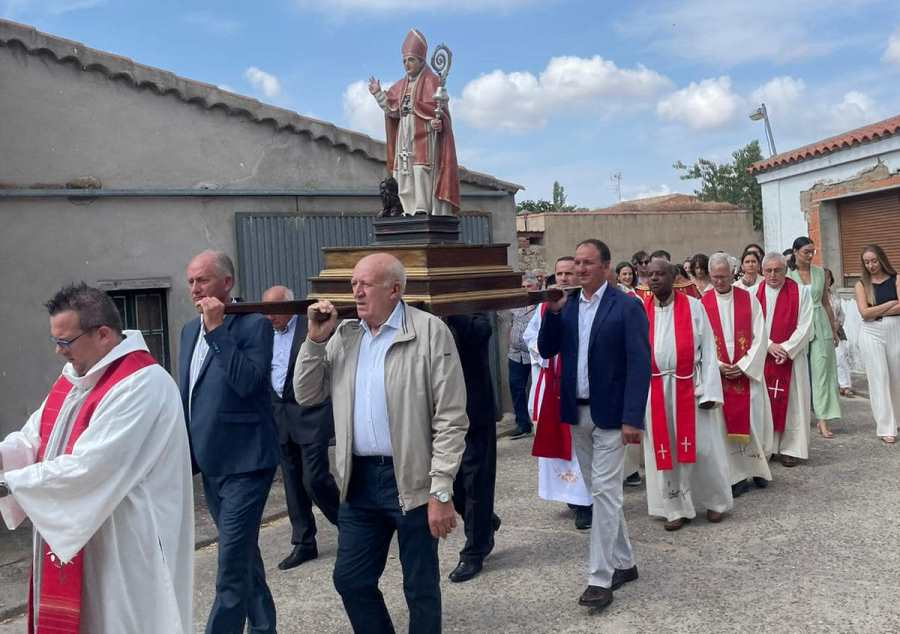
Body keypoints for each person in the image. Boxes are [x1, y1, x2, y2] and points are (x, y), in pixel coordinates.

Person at [0, 283, 193, 633]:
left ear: (103, 334)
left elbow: (91, 468)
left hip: (127, 548)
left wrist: (6, 483)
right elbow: (34, 438)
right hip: (81, 538)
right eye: (56, 341)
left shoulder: (142, 385)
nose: (59, 352)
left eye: (65, 342)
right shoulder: (77, 380)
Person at [295, 252, 468, 634]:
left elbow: (452, 417)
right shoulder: (344, 335)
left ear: (394, 289)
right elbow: (307, 394)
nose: (356, 290)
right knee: (351, 579)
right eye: (353, 283)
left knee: (419, 587)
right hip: (359, 482)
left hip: (412, 479)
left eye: (365, 284)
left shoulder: (428, 331)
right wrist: (313, 342)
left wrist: (441, 490)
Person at [539, 239, 650, 614]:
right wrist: (552, 313)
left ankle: (600, 578)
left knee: (604, 493)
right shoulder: (568, 308)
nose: (581, 269)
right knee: (601, 493)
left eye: (588, 263)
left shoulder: (627, 307)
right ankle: (625, 561)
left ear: (605, 267)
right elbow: (546, 349)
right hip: (577, 414)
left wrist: (633, 418)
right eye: (577, 263)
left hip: (612, 416)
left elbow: (639, 364)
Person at [178, 250, 280, 634]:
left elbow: (248, 383)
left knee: (230, 565)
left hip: (247, 463)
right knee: (244, 557)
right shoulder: (189, 330)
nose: (194, 289)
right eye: (190, 281)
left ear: (226, 283)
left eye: (202, 280)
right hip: (211, 463)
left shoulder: (254, 326)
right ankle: (264, 628)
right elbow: (189, 395)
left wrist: (218, 331)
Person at [641, 260, 733, 531]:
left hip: (690, 388)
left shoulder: (694, 307)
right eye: (650, 275)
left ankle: (715, 502)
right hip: (656, 388)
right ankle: (674, 508)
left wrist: (710, 391)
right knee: (664, 449)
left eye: (660, 274)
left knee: (704, 449)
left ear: (673, 277)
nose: (655, 279)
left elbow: (708, 351)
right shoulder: (641, 310)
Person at [263, 285, 339, 571]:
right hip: (280, 418)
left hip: (311, 417)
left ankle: (348, 523)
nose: (269, 317)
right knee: (293, 484)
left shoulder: (308, 329)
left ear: (289, 307)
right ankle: (304, 542)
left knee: (315, 479)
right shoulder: (264, 334)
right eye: (266, 311)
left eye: (274, 311)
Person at [524, 256, 593, 530]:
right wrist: (543, 354)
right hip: (552, 385)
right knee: (559, 448)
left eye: (568, 273)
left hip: (578, 389)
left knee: (579, 449)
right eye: (559, 273)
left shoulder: (584, 305)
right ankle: (570, 496)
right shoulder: (545, 308)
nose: (563, 278)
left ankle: (585, 503)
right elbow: (531, 338)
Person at [368, 29, 459, 216]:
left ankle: (422, 208)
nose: (407, 65)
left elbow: (441, 113)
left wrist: (439, 123)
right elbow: (392, 109)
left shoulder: (433, 81)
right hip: (404, 132)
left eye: (411, 60)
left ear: (421, 60)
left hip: (424, 134)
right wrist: (378, 93)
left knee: (421, 169)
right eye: (404, 61)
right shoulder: (400, 85)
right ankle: (406, 209)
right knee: (403, 171)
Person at [703, 254, 773, 497]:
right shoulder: (703, 303)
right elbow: (700, 343)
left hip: (747, 373)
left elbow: (760, 336)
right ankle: (737, 476)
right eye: (715, 277)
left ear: (733, 273)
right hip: (720, 375)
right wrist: (720, 365)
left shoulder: (749, 299)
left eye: (723, 277)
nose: (719, 282)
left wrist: (743, 365)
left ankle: (759, 469)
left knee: (754, 422)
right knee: (725, 428)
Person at [446, 312, 502, 582]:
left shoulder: (475, 314)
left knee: (475, 482)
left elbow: (479, 334)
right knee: (453, 486)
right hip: (440, 414)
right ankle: (484, 521)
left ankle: (474, 551)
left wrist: (452, 309)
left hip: (474, 411)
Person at [758, 252, 814, 467]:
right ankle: (768, 446)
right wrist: (769, 345)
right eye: (768, 270)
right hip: (764, 357)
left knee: (793, 403)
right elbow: (753, 326)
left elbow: (805, 325)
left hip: (791, 358)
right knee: (765, 402)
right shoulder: (754, 293)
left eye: (777, 270)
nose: (773, 275)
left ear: (785, 270)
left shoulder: (801, 293)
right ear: (763, 272)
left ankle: (791, 448)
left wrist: (786, 349)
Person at [787, 237, 842, 439]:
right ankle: (798, 416)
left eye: (813, 252)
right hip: (797, 326)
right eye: (806, 252)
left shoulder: (820, 273)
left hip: (820, 324)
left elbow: (826, 302)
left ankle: (823, 419)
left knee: (822, 373)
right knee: (799, 373)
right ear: (795, 252)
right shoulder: (787, 275)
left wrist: (834, 328)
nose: (810, 256)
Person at [854, 245, 900, 443]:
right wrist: (891, 303)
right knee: (878, 377)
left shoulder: (896, 278)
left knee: (896, 376)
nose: (871, 265)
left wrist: (876, 311)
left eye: (874, 260)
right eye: (867, 262)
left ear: (881, 259)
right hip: (871, 332)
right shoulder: (861, 284)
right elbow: (864, 313)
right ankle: (886, 427)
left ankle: (897, 419)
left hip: (894, 328)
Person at [508, 273, 540, 439]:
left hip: (534, 355)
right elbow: (510, 323)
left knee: (537, 389)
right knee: (516, 388)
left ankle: (538, 422)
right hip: (515, 354)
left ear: (536, 287)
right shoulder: (516, 304)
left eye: (529, 286)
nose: (525, 290)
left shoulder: (541, 305)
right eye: (523, 287)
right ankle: (522, 424)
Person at [824, 270, 855, 398]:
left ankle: (845, 386)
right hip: (823, 330)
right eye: (824, 278)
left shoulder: (835, 296)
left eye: (828, 278)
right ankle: (831, 385)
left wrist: (838, 324)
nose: (826, 280)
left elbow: (841, 314)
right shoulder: (815, 295)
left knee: (841, 356)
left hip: (837, 330)